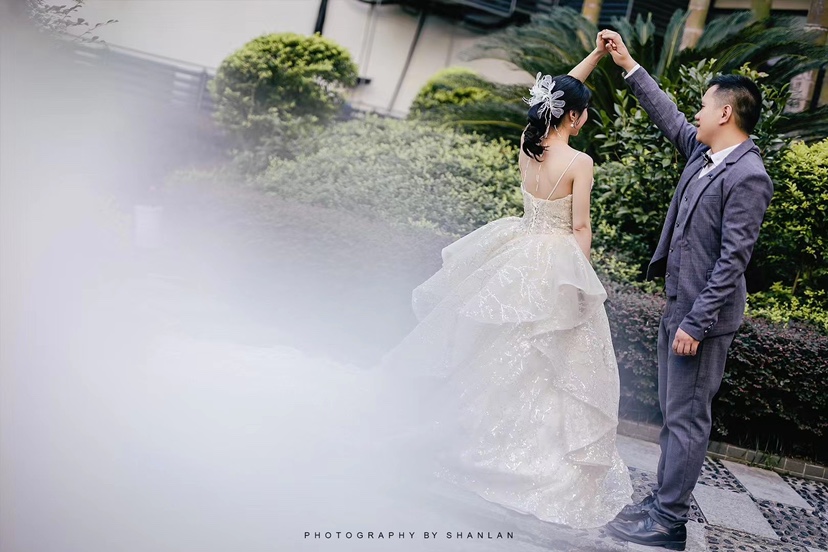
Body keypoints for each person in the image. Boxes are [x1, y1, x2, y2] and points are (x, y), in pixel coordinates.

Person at [380, 36, 633, 529]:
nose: (583, 119)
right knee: (549, 360)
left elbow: (559, 91)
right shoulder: (580, 163)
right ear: (575, 117)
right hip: (556, 259)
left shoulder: (527, 142)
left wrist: (596, 57)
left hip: (518, 252)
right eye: (582, 114)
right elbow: (581, 227)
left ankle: (475, 441)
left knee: (501, 352)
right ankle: (530, 459)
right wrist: (579, 283)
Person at [598, 30, 774, 550]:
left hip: (701, 322)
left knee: (688, 420)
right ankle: (661, 502)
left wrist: (696, 324)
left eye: (704, 105)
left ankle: (669, 522)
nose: (696, 113)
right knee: (673, 418)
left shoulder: (749, 176)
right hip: (678, 307)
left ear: (726, 113)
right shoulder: (704, 154)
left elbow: (733, 261)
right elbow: (669, 115)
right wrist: (627, 64)